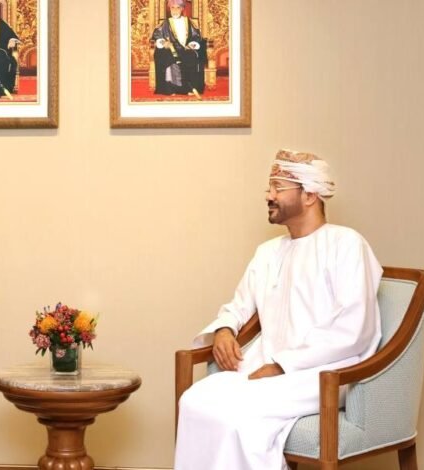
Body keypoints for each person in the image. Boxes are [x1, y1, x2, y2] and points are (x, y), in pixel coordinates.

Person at [174, 150, 383, 470]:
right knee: (194, 400)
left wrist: (283, 365)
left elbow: (354, 329)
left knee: (238, 414)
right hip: (264, 368)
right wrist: (225, 329)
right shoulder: (268, 252)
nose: (269, 196)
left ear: (310, 195)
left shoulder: (347, 244)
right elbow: (238, 305)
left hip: (325, 374)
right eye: (269, 188)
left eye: (278, 187)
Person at [151, 0, 207, 97]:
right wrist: (163, 43)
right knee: (166, 57)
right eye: (172, 8)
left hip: (186, 49)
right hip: (170, 50)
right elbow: (157, 36)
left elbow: (197, 37)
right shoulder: (165, 23)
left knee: (192, 56)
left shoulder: (189, 22)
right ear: (169, 9)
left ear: (182, 9)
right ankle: (170, 88)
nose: (175, 10)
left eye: (178, 8)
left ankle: (190, 88)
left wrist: (192, 44)